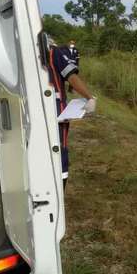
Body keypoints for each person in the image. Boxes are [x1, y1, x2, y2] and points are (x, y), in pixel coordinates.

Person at [47, 40, 96, 187]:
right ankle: (60, 186)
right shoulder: (53, 51)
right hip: (55, 110)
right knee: (59, 148)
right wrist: (89, 97)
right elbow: (71, 76)